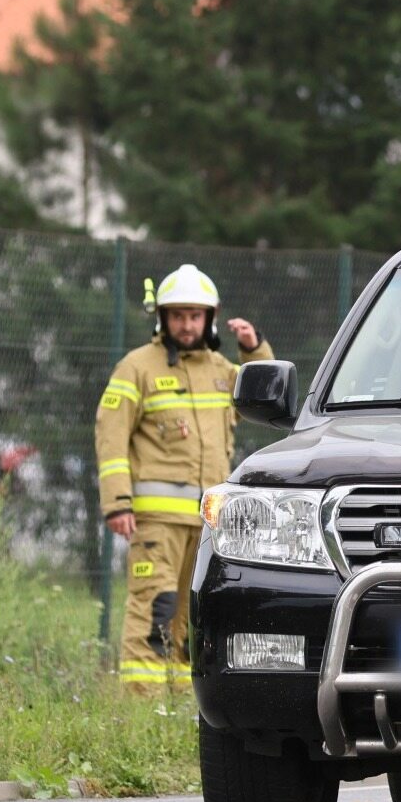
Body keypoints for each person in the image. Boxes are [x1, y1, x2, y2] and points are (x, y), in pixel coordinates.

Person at [95, 264, 274, 690]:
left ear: (209, 319)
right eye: (178, 315)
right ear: (163, 317)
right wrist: (117, 503)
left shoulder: (219, 369)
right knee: (154, 608)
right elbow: (110, 434)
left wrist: (253, 348)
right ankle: (142, 705)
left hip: (209, 522)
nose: (187, 324)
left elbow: (264, 394)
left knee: (193, 617)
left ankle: (178, 706)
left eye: (196, 316)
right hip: (155, 523)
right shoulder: (136, 367)